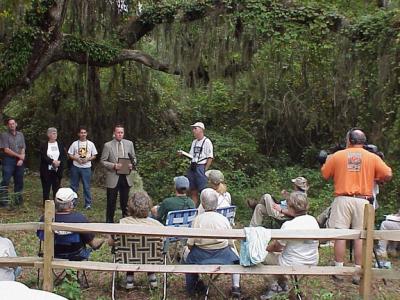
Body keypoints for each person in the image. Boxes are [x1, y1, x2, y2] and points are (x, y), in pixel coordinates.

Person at [321, 128, 392, 284]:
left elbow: (325, 174)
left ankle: (339, 271)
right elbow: (387, 174)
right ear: (363, 142)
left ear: (349, 140)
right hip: (363, 200)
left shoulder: (337, 156)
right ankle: (357, 273)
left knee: (341, 235)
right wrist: (375, 175)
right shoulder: (372, 157)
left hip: (343, 199)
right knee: (360, 237)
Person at [260, 191, 319, 300]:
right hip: (312, 260)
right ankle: (283, 284)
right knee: (283, 254)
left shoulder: (289, 225)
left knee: (261, 255)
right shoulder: (313, 220)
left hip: (293, 263)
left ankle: (275, 287)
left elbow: (276, 247)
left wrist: (266, 248)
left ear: (290, 207)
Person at [184, 188, 241, 298]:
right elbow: (230, 242)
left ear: (203, 204)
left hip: (201, 256)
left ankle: (192, 287)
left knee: (186, 255)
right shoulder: (224, 219)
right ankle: (236, 287)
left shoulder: (197, 220)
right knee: (236, 257)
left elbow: (190, 245)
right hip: (224, 256)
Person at [111, 191, 162, 289]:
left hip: (127, 258)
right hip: (151, 257)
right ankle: (152, 277)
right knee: (147, 249)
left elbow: (111, 241)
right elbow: (163, 241)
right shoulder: (156, 225)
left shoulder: (122, 223)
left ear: (130, 206)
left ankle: (129, 278)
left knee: (130, 249)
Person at [39, 188, 104, 259]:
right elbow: (94, 244)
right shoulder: (79, 218)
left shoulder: (45, 218)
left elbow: (41, 237)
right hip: (76, 255)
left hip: (52, 254)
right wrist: (104, 239)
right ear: (71, 203)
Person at [100, 124, 136, 223]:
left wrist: (132, 164)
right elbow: (103, 161)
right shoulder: (108, 145)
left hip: (126, 176)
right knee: (111, 201)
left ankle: (125, 221)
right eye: (118, 132)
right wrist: (113, 165)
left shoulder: (129, 144)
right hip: (113, 176)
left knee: (125, 202)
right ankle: (109, 222)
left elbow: (134, 158)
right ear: (114, 133)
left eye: (121, 132)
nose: (120, 134)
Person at [179, 122, 213, 207]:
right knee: (192, 189)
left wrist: (205, 169)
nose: (193, 130)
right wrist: (183, 154)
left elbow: (210, 157)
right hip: (192, 166)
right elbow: (191, 155)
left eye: (195, 128)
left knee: (203, 190)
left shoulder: (207, 141)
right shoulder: (194, 142)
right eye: (193, 129)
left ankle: (204, 208)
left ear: (201, 130)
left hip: (201, 166)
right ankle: (194, 209)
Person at [68, 126, 98, 209]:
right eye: (81, 133)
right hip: (76, 167)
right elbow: (70, 154)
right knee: (74, 186)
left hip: (86, 167)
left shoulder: (91, 144)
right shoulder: (74, 143)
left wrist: (88, 159)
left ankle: (88, 203)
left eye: (84, 133)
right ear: (78, 134)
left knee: (86, 186)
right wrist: (76, 158)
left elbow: (95, 155)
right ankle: (72, 202)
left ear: (87, 134)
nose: (83, 134)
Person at [0, 118, 26, 205]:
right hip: (8, 160)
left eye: (13, 123)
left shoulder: (20, 135)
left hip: (19, 161)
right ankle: (4, 202)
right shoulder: (4, 135)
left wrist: (21, 159)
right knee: (6, 180)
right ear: (8, 125)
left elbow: (23, 147)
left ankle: (18, 201)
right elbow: (6, 150)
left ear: (16, 124)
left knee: (19, 181)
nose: (12, 125)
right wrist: (19, 156)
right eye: (10, 124)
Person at [39, 127, 67, 203]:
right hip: (46, 170)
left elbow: (63, 155)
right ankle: (46, 205)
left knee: (56, 188)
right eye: (53, 133)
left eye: (56, 133)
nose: (55, 135)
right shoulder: (44, 145)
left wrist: (59, 162)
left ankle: (56, 203)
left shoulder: (60, 144)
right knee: (46, 188)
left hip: (57, 170)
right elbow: (43, 156)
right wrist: (52, 161)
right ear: (48, 134)